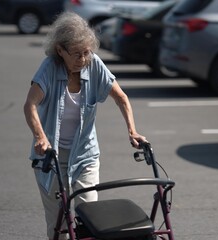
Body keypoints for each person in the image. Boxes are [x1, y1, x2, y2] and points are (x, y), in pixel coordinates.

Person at [23, 12, 146, 240]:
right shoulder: (49, 68)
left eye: (87, 52)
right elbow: (30, 105)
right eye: (77, 54)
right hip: (52, 158)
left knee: (91, 218)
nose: (83, 59)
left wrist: (132, 130)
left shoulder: (93, 64)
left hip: (85, 155)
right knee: (58, 225)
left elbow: (121, 97)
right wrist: (40, 136)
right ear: (60, 50)